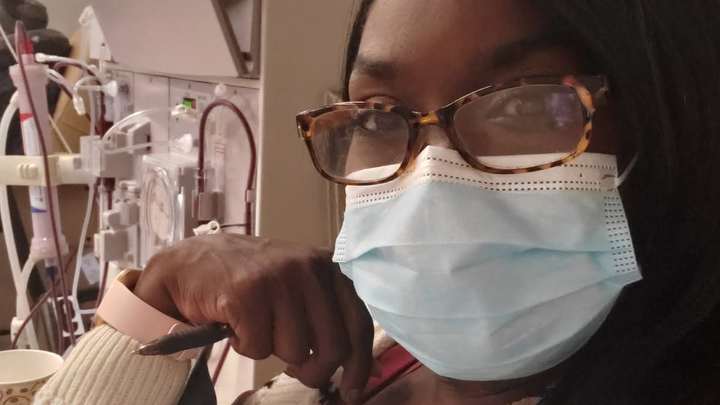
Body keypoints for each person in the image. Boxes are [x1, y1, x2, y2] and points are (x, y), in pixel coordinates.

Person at [34, 0, 720, 404]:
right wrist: (157, 298)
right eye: (379, 113)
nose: (432, 180)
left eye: (522, 103)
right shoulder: (374, 361)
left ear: (670, 123)